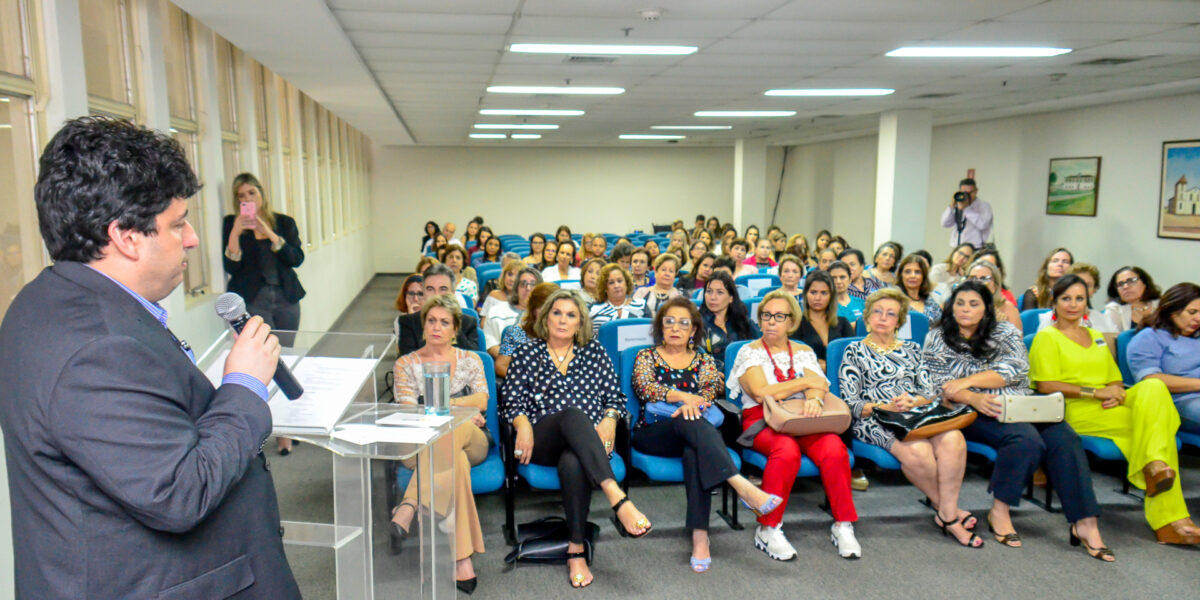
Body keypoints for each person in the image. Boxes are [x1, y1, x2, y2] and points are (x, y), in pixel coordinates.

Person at [0, 117, 300, 599]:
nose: (192, 239)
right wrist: (243, 386)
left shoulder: (47, 301)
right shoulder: (97, 348)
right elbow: (179, 493)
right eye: (177, 224)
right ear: (125, 237)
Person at [924, 281, 1111, 560]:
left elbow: (1014, 369)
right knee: (1025, 440)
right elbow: (935, 383)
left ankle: (1085, 523)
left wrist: (967, 381)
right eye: (960, 303)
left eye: (974, 304)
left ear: (987, 308)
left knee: (1065, 439)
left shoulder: (1005, 331)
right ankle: (1000, 511)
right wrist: (972, 397)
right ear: (951, 306)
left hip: (1019, 403)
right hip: (969, 410)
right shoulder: (938, 336)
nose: (965, 309)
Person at [1030, 275, 1198, 545]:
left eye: (1080, 299)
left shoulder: (1096, 337)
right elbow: (1046, 384)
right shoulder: (1047, 338)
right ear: (1055, 302)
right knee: (1160, 429)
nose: (1073, 305)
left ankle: (1156, 467)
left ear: (1087, 303)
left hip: (1109, 403)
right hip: (1074, 407)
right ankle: (1172, 519)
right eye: (1066, 299)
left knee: (1153, 387)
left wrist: (1117, 392)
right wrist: (1096, 393)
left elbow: (1115, 377)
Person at [501, 290, 653, 588]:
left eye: (571, 315)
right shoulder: (527, 353)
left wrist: (610, 419)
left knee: (573, 461)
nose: (562, 319)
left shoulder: (594, 352)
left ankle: (576, 549)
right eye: (557, 312)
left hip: (588, 443)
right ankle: (616, 497)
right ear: (545, 317)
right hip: (541, 438)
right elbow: (509, 401)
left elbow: (615, 397)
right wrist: (522, 423)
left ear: (580, 322)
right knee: (572, 414)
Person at [631, 297, 782, 572]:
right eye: (669, 322)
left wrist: (694, 402)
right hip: (655, 432)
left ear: (694, 330)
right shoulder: (646, 356)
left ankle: (700, 537)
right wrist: (684, 397)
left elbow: (712, 389)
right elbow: (645, 388)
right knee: (691, 421)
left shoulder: (703, 358)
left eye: (683, 323)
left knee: (694, 449)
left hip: (695, 433)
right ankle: (739, 484)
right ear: (660, 327)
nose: (676, 328)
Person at [841, 289, 982, 549]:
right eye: (877, 312)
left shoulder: (913, 349)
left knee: (954, 439)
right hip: (875, 419)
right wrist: (885, 406)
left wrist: (913, 401)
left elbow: (929, 393)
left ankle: (946, 512)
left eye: (891, 313)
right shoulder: (854, 351)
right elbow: (851, 404)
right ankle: (950, 515)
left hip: (916, 415)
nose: (883, 317)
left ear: (899, 321)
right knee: (919, 451)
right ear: (868, 317)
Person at [728, 290, 860, 560]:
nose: (771, 322)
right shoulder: (748, 351)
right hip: (763, 419)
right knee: (786, 451)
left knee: (835, 449)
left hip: (803, 417)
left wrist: (814, 399)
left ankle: (843, 524)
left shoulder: (803, 351)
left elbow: (819, 385)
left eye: (779, 316)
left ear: (791, 321)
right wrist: (803, 384)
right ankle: (768, 528)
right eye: (766, 316)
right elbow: (761, 392)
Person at [390, 295, 490, 592]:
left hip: (472, 443)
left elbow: (482, 400)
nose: (437, 327)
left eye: (444, 322)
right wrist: (460, 412)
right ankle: (462, 559)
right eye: (431, 321)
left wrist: (442, 406)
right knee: (451, 455)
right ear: (423, 326)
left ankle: (409, 504)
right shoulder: (405, 363)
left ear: (455, 328)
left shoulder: (470, 360)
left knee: (449, 432)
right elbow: (409, 414)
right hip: (419, 445)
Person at [223, 172, 306, 337]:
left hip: (286, 297)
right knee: (263, 346)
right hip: (253, 299)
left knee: (287, 349)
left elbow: (296, 259)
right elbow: (231, 268)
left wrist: (269, 233)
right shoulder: (231, 223)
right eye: (241, 195)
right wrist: (235, 233)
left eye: (252, 192)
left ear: (261, 193)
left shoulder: (284, 222)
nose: (248, 199)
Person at [1127, 282, 1200, 435]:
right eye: (1192, 312)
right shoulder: (1148, 337)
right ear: (1172, 310)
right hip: (1177, 402)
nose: (1198, 318)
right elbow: (1151, 380)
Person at [396, 265, 480, 355]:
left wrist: (453, 324)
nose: (436, 295)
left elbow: (471, 360)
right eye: (430, 289)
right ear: (423, 292)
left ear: (453, 292)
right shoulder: (408, 322)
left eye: (443, 289)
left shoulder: (468, 323)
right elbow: (407, 363)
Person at [698, 271, 759, 373]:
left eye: (720, 292)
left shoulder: (744, 322)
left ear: (731, 298)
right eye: (709, 291)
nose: (712, 297)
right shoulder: (696, 323)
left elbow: (759, 349)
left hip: (744, 376)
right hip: (709, 377)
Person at [792, 271, 854, 369]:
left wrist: (828, 366)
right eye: (813, 292)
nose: (817, 298)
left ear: (831, 296)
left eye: (824, 293)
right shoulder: (795, 324)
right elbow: (793, 359)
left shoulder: (843, 323)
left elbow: (854, 356)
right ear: (806, 294)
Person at [1034, 262, 1117, 335]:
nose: (1082, 289)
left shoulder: (1104, 319)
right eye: (1077, 284)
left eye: (1087, 285)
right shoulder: (1050, 318)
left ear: (1094, 289)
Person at [496, 282, 558, 378]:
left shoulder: (566, 334)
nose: (548, 314)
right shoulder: (516, 332)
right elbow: (501, 366)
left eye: (554, 310)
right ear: (533, 310)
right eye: (543, 309)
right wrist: (526, 380)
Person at [483, 267, 541, 357]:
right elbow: (490, 343)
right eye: (523, 284)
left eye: (533, 284)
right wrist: (511, 359)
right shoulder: (496, 311)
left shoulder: (548, 314)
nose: (528, 288)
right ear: (516, 287)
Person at [966, 259, 1020, 332]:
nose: (977, 282)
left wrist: (1000, 328)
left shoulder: (1007, 309)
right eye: (973, 278)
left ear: (995, 285)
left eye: (984, 278)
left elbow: (1016, 342)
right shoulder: (957, 307)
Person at [1104, 266, 1161, 333]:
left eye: (1131, 281)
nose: (1125, 287)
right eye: (1120, 284)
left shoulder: (1161, 305)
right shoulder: (1114, 310)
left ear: (1144, 284)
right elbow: (1112, 340)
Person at [941, 177, 992, 248]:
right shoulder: (958, 204)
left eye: (970, 192)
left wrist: (966, 209)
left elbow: (983, 225)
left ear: (976, 191)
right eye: (964, 192)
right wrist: (951, 206)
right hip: (957, 246)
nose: (968, 195)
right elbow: (945, 223)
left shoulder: (984, 206)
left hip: (974, 247)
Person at [897, 254, 942, 324]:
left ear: (923, 276)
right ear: (901, 275)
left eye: (917, 272)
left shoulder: (931, 302)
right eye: (907, 272)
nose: (913, 275)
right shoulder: (894, 301)